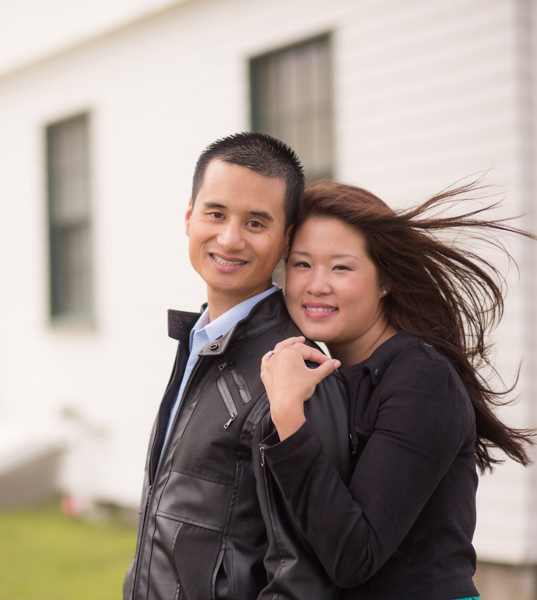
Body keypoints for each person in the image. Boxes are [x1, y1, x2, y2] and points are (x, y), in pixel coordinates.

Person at [259, 179, 535, 599]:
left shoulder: (421, 380)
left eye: (341, 267)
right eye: (301, 264)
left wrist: (288, 419)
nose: (316, 284)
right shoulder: (324, 376)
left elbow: (355, 556)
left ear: (385, 280)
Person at [123, 132, 351, 600]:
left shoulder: (296, 373)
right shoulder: (200, 344)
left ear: (287, 241)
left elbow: (303, 578)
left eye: (255, 223)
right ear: (188, 217)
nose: (229, 238)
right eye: (215, 214)